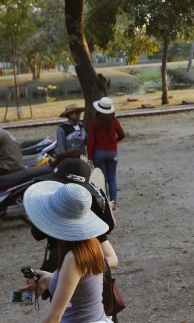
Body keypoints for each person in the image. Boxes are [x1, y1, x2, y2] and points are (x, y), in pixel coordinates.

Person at [20, 181, 115, 322]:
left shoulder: (73, 257)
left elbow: (54, 317)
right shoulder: (90, 244)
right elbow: (82, 285)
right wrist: (51, 278)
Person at [87, 97, 125, 211]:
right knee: (112, 179)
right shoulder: (114, 121)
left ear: (98, 109)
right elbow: (122, 135)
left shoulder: (93, 123)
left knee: (102, 179)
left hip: (99, 153)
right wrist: (113, 143)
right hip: (112, 153)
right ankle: (114, 204)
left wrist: (90, 158)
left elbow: (90, 142)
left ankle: (106, 203)